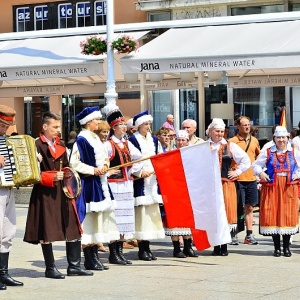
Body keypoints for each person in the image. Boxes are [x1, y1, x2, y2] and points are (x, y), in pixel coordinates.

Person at [24, 111, 92, 279]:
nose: (57, 130)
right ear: (45, 126)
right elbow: (30, 172)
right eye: (54, 127)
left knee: (72, 226)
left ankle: (74, 266)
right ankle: (50, 268)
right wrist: (50, 176)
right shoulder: (35, 145)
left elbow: (68, 167)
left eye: (58, 127)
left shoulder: (61, 144)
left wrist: (70, 177)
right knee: (47, 230)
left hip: (63, 191)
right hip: (45, 192)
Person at [69, 106, 119, 271]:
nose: (99, 122)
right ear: (88, 122)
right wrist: (93, 170)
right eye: (96, 119)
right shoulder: (81, 139)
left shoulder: (95, 138)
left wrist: (105, 165)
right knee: (90, 220)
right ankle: (89, 258)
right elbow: (74, 163)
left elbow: (104, 156)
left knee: (98, 220)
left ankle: (94, 257)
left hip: (99, 183)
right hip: (89, 184)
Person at [252, 126, 300, 257]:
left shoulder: (294, 151)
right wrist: (261, 173)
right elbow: (255, 165)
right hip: (272, 186)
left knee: (287, 215)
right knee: (273, 214)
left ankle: (287, 248)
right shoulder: (268, 151)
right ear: (274, 138)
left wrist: (297, 174)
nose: (281, 140)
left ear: (287, 138)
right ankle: (277, 248)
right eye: (278, 137)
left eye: (283, 137)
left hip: (288, 187)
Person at [105, 109, 145, 264]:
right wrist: (108, 172)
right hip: (115, 186)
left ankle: (120, 252)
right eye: (120, 125)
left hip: (126, 185)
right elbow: (102, 162)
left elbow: (139, 157)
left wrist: (132, 172)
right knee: (116, 219)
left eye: (124, 124)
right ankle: (113, 253)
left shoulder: (127, 143)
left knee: (125, 219)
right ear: (114, 127)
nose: (123, 127)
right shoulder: (108, 145)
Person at [206, 118, 251, 256]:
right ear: (211, 131)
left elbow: (246, 160)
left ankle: (224, 246)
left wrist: (237, 172)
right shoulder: (204, 146)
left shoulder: (230, 146)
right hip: (210, 186)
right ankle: (215, 246)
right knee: (213, 215)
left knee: (225, 213)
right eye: (217, 131)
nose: (219, 134)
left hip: (226, 184)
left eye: (221, 131)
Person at [129, 110, 165, 261]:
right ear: (138, 126)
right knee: (141, 215)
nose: (148, 126)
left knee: (151, 216)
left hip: (153, 181)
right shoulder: (132, 140)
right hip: (141, 182)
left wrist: (157, 169)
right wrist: (140, 171)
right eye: (145, 124)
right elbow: (131, 159)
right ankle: (142, 248)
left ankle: (148, 246)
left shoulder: (155, 140)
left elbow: (160, 157)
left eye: (149, 123)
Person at [164, 130, 198, 258]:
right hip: (173, 190)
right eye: (179, 140)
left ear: (187, 141)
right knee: (174, 220)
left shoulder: (192, 155)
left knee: (187, 219)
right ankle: (176, 248)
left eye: (183, 140)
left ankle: (188, 247)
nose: (181, 142)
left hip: (188, 190)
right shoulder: (170, 154)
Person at [0, 105, 23, 290]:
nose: (4, 130)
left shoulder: (7, 141)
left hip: (8, 189)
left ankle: (3, 273)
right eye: (1, 126)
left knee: (8, 231)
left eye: (6, 126)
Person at [229, 116, 260, 245]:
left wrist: (258, 174)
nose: (247, 127)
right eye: (244, 125)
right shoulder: (232, 142)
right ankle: (233, 234)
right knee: (236, 208)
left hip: (251, 178)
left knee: (250, 207)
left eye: (248, 124)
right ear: (238, 126)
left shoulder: (255, 141)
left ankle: (249, 235)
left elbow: (259, 157)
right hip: (237, 179)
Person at [94, 120, 111, 253]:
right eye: (103, 132)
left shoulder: (105, 145)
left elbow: (106, 159)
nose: (105, 134)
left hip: (104, 178)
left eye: (107, 132)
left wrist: (106, 166)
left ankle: (100, 240)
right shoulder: (95, 143)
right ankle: (97, 242)